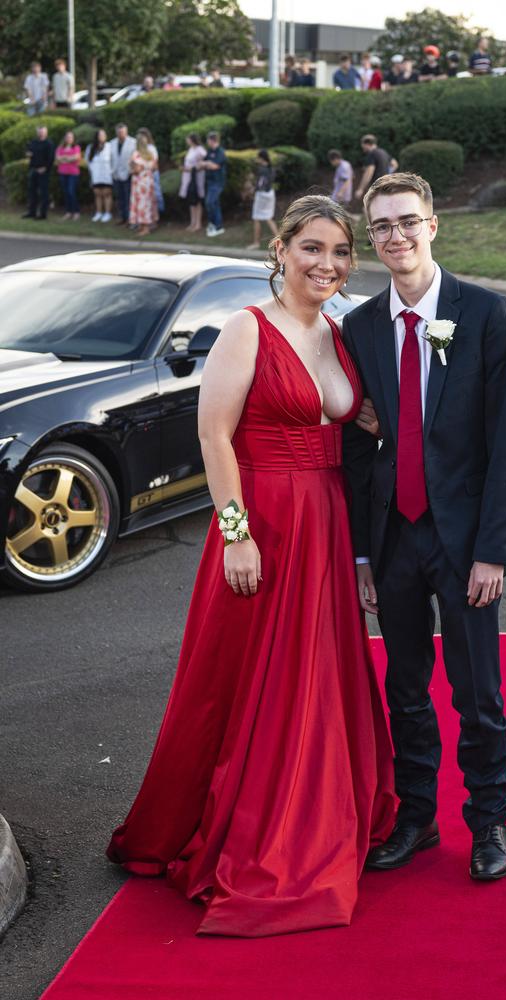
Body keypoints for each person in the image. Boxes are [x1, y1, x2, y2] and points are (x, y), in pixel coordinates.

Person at [107, 193, 396, 936]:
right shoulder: (246, 328)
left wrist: (365, 416)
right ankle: (239, 826)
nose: (326, 264)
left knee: (316, 676)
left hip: (326, 522)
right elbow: (213, 438)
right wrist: (236, 532)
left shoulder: (336, 332)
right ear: (280, 249)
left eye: (339, 252)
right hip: (263, 517)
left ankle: (319, 808)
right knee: (242, 679)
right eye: (311, 248)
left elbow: (350, 420)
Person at [342, 171, 506, 880]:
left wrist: (493, 552)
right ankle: (417, 817)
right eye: (382, 226)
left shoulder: (485, 314)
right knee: (406, 689)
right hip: (393, 538)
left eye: (407, 221)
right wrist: (361, 555)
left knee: (477, 691)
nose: (396, 236)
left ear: (433, 225)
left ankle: (489, 822)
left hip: (465, 538)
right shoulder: (359, 327)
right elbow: (357, 453)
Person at [247, 149, 279, 248]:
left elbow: (261, 184)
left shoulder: (262, 169)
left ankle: (256, 243)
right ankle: (280, 241)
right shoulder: (271, 168)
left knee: (256, 218)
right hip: (270, 194)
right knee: (269, 218)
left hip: (262, 195)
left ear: (261, 158)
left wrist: (253, 189)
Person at [128, 133, 158, 237]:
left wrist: (131, 170)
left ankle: (144, 228)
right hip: (148, 181)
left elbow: (136, 169)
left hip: (139, 182)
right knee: (148, 203)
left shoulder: (136, 154)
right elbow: (154, 167)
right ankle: (146, 225)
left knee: (140, 204)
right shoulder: (150, 154)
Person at [23, 124, 54, 219]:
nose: (41, 133)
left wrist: (45, 168)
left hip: (43, 171)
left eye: (43, 131)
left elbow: (51, 158)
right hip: (33, 170)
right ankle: (32, 212)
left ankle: (43, 214)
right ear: (37, 132)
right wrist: (28, 153)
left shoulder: (49, 143)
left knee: (43, 193)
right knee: (32, 192)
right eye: (39, 131)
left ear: (46, 132)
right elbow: (28, 151)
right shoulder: (34, 142)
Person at [109, 123, 137, 226]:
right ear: (116, 132)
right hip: (116, 174)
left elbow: (135, 158)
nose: (121, 134)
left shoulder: (133, 142)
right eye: (119, 132)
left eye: (123, 132)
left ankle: (130, 218)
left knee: (128, 197)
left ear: (126, 132)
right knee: (119, 197)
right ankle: (122, 217)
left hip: (128, 173)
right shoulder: (112, 143)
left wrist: (132, 170)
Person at [179, 132, 206, 233]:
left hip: (196, 178)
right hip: (188, 177)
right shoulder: (190, 149)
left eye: (188, 139)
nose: (187, 141)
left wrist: (190, 169)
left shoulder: (200, 150)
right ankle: (192, 222)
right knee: (191, 200)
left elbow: (201, 165)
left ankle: (198, 223)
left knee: (197, 199)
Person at [201, 131, 227, 237]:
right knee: (214, 203)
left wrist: (207, 164)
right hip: (210, 181)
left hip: (217, 182)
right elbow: (203, 163)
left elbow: (215, 166)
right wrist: (207, 164)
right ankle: (217, 225)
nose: (207, 142)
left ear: (212, 140)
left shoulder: (220, 152)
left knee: (210, 202)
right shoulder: (209, 151)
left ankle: (215, 224)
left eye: (208, 140)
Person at [85, 128, 113, 222]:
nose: (102, 137)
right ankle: (99, 213)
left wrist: (111, 172)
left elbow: (113, 160)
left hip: (107, 175)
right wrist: (92, 170)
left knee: (106, 194)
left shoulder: (110, 146)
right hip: (96, 175)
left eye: (104, 135)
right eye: (100, 135)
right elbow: (88, 161)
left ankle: (107, 213)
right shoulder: (91, 147)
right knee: (98, 194)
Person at [355, 134, 392, 201]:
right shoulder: (383, 152)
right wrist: (387, 174)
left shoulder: (371, 154)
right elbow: (395, 164)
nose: (362, 147)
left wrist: (360, 189)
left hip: (377, 186)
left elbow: (369, 172)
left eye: (362, 145)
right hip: (386, 184)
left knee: (371, 207)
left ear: (367, 144)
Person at [54, 129, 81, 220]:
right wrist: (69, 158)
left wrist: (64, 158)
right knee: (66, 193)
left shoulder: (76, 147)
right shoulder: (60, 148)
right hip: (62, 173)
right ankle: (68, 212)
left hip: (73, 173)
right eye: (67, 137)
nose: (69, 138)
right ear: (65, 138)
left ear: (73, 138)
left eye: (71, 137)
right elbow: (57, 159)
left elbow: (76, 157)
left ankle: (76, 212)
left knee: (71, 192)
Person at [137, 126, 164, 215]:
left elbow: (154, 163)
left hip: (152, 174)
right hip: (143, 175)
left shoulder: (151, 148)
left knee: (155, 194)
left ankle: (159, 213)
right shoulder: (138, 149)